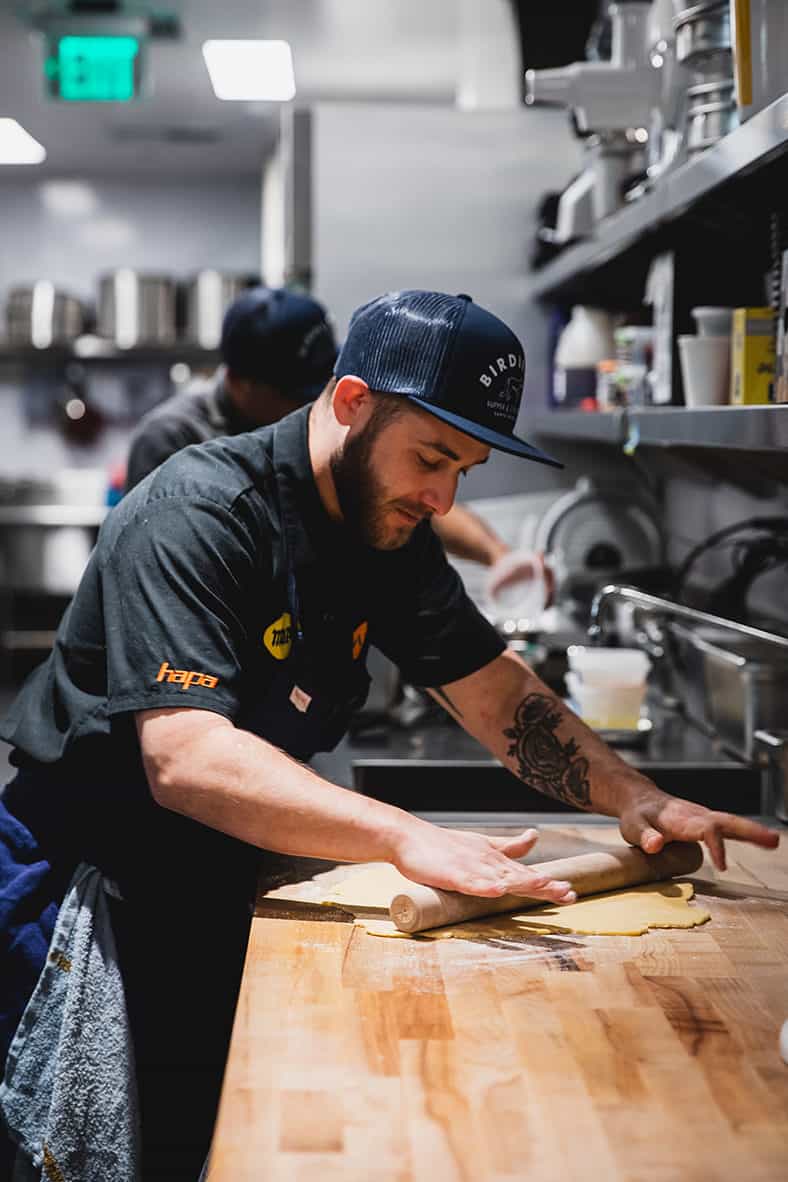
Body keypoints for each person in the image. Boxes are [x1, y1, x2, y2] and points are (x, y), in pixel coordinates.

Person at [0, 290, 777, 1177]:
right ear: (350, 401)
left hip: (219, 878)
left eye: (464, 471)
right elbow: (187, 760)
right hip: (88, 896)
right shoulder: (203, 511)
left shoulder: (388, 529)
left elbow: (492, 692)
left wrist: (640, 799)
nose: (443, 497)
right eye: (432, 459)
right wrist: (407, 837)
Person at [125, 284, 541, 595]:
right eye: (296, 392)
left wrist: (497, 555)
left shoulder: (338, 419)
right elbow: (158, 574)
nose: (319, 408)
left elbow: (405, 489)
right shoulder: (173, 441)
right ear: (239, 382)